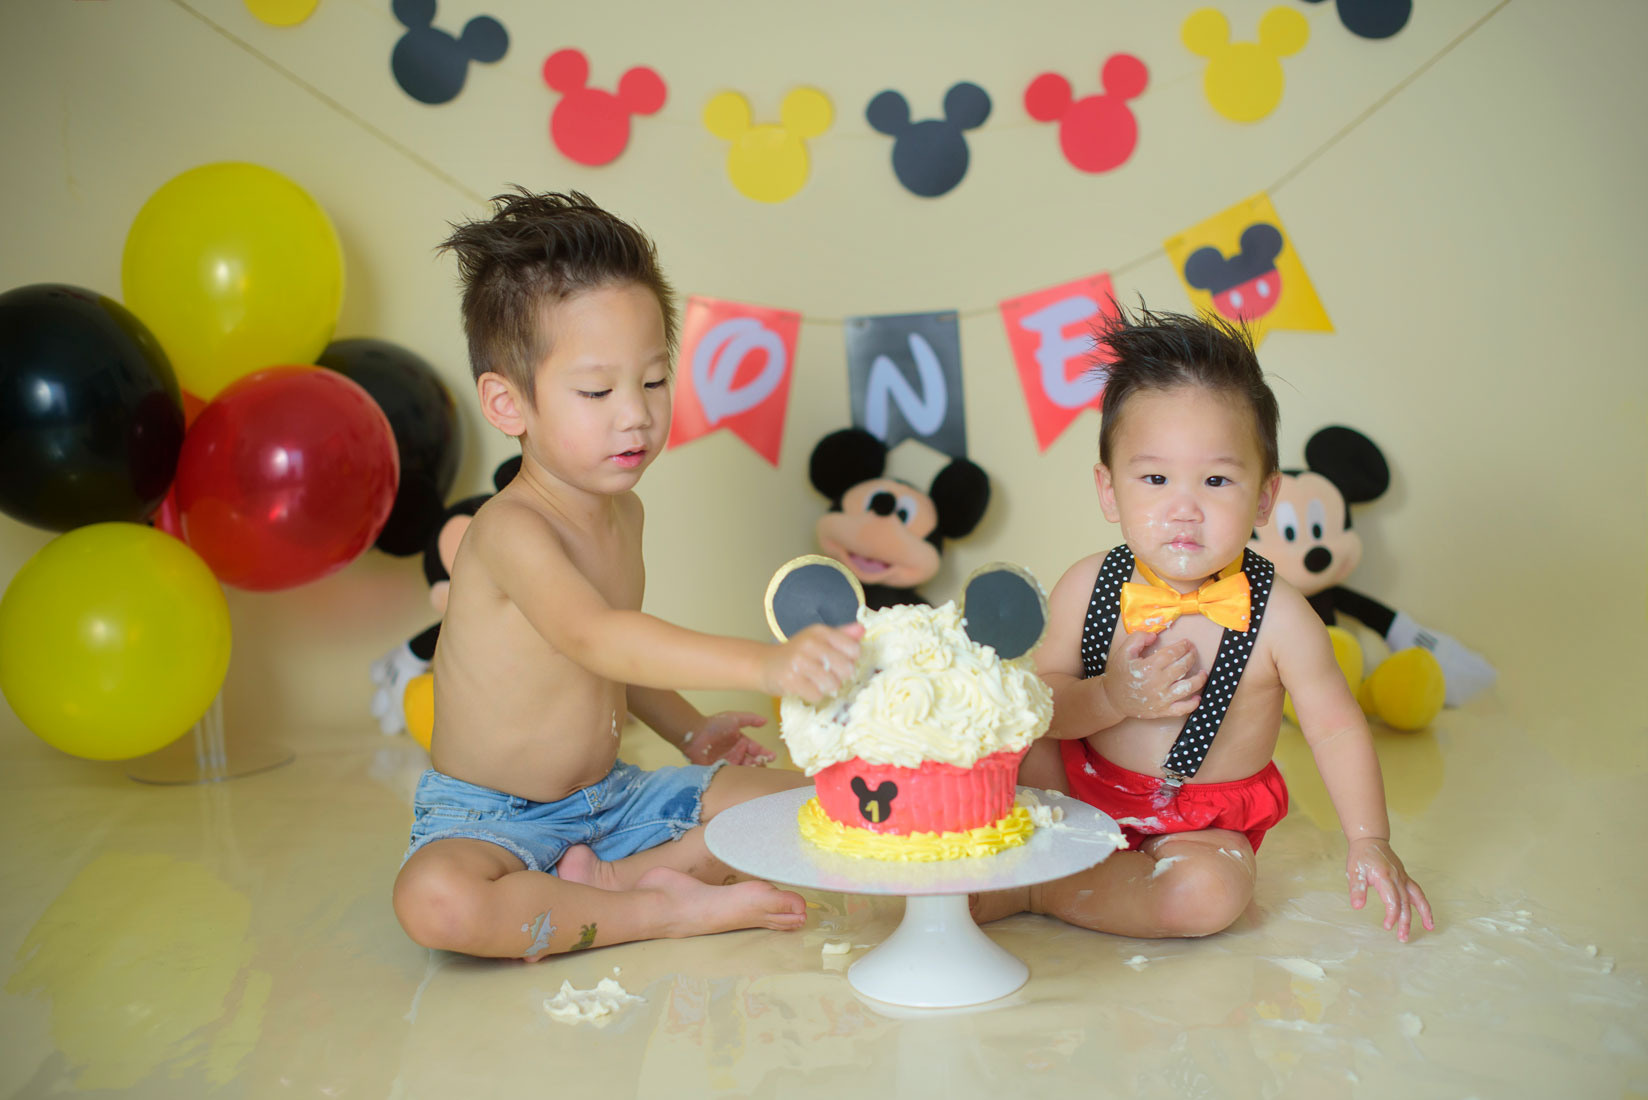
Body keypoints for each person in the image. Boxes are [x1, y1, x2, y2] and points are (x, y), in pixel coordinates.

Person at [392, 190, 862, 960]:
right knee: (437, 901)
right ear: (508, 403)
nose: (635, 415)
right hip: (492, 821)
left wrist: (691, 732)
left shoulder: (623, 514)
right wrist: (763, 664)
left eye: (652, 381)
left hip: (613, 802)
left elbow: (612, 664)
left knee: (829, 804)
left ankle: (616, 881)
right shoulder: (510, 530)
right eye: (597, 391)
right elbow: (600, 637)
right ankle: (659, 909)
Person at [987, 303, 1433, 942]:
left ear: (1265, 498)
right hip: (1075, 793)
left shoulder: (1282, 617)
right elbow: (1042, 706)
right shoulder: (1088, 586)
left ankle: (1044, 884)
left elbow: (1335, 729)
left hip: (1200, 823)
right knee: (1012, 734)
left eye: (1217, 480)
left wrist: (1370, 839)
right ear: (1110, 490)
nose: (1184, 509)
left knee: (1208, 896)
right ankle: (1058, 860)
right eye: (1155, 477)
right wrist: (1110, 697)